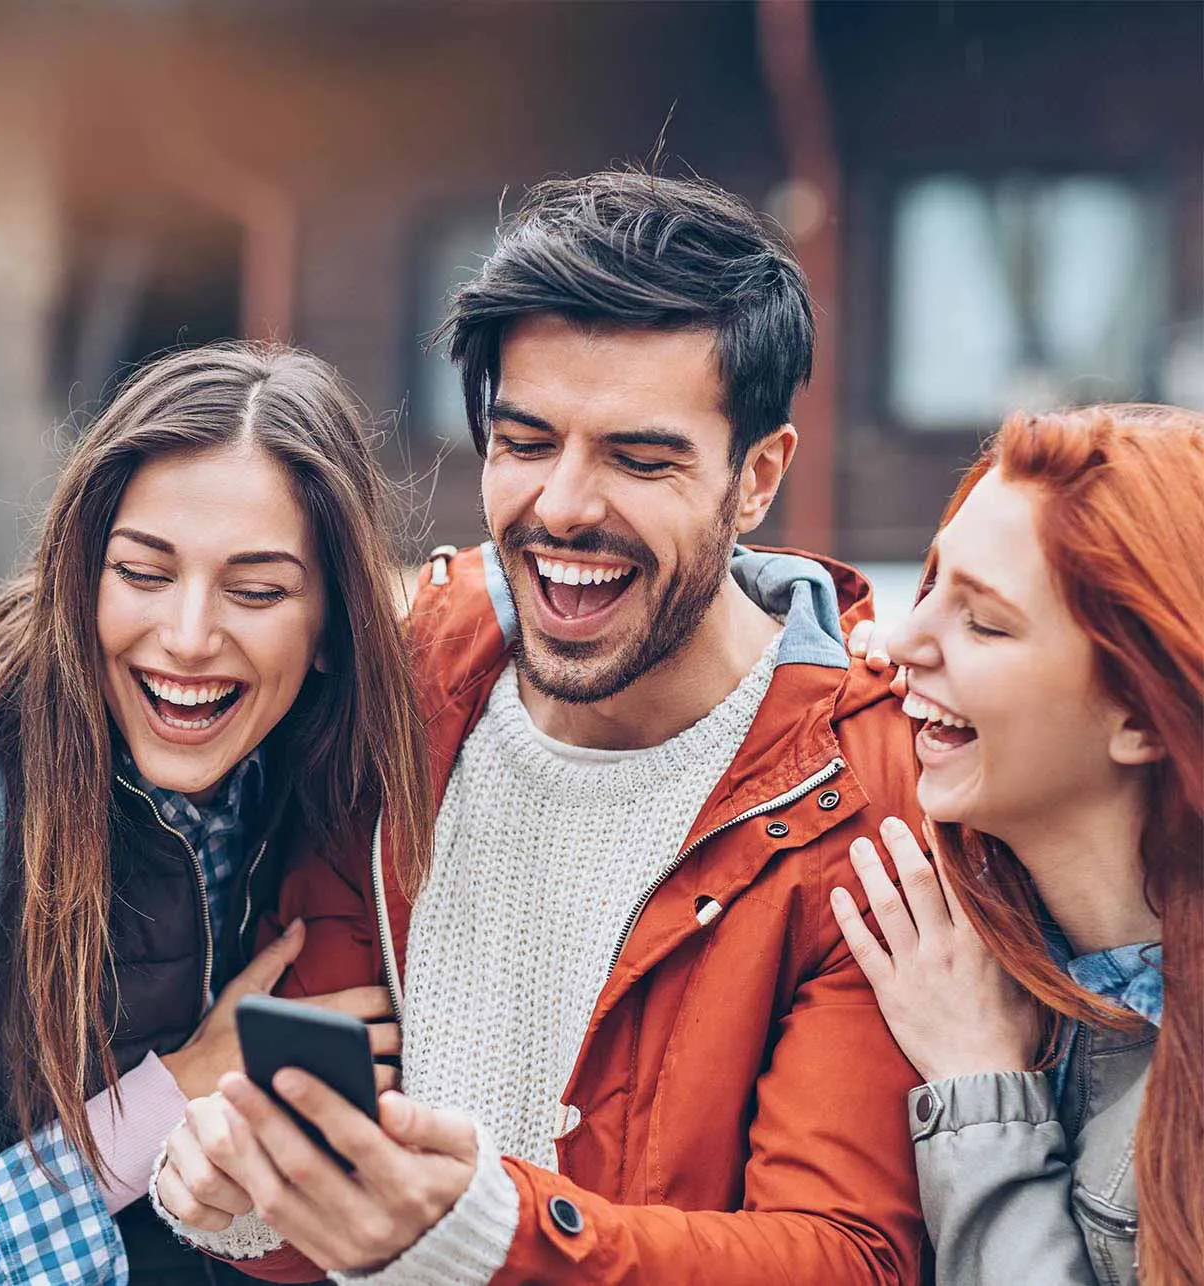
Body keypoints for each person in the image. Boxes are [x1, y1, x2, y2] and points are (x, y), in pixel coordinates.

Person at [151, 171, 927, 1284]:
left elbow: (847, 1258)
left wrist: (486, 1227)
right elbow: (320, 1198)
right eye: (523, 441)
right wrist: (231, 1183)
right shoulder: (402, 680)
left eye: (638, 458)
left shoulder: (863, 787)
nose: (562, 504)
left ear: (756, 476)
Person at [0, 342, 434, 1284]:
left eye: (257, 590)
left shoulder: (341, 793)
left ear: (332, 625)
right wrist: (171, 1098)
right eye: (145, 573)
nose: (191, 638)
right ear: (81, 577)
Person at [831, 404, 1203, 1286]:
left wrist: (978, 1085)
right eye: (930, 588)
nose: (898, 641)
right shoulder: (963, 942)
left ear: (1141, 714)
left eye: (983, 623)